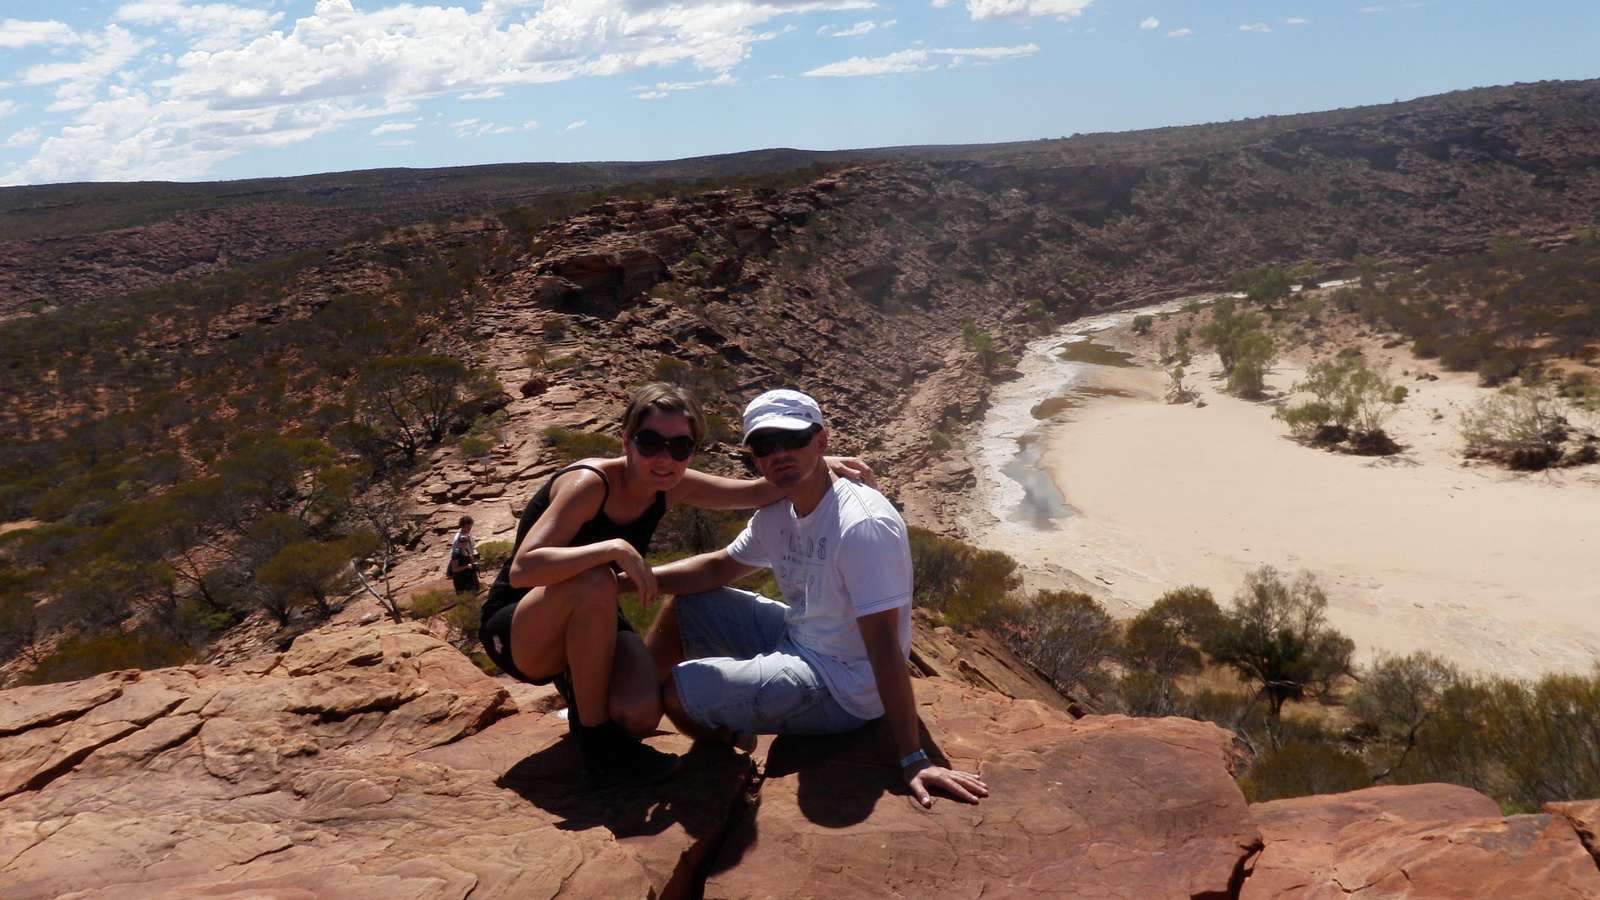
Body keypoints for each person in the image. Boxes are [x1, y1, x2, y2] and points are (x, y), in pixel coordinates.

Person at [479, 382, 875, 788]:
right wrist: (611, 548)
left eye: (680, 448)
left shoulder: (672, 485)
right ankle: (598, 747)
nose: (664, 458)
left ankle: (584, 693)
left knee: (640, 713)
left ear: (692, 451)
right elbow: (523, 569)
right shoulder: (590, 483)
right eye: (650, 443)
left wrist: (818, 461)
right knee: (595, 578)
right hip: (522, 627)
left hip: (593, 614)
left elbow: (757, 492)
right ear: (626, 441)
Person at [644, 389, 989, 808]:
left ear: (821, 442)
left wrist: (914, 757)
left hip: (843, 683)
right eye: (766, 446)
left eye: (794, 440)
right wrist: (625, 581)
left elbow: (883, 645)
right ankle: (632, 717)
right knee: (684, 606)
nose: (780, 454)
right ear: (755, 457)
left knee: (680, 692)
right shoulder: (776, 510)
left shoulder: (862, 525)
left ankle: (732, 740)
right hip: (800, 637)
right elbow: (718, 568)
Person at [447, 516, 482, 595]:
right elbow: (455, 554)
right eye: (467, 526)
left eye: (470, 526)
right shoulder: (458, 539)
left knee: (475, 589)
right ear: (462, 526)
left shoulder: (469, 535)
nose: (469, 528)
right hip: (462, 567)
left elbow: (473, 547)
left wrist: (477, 556)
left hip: (470, 564)